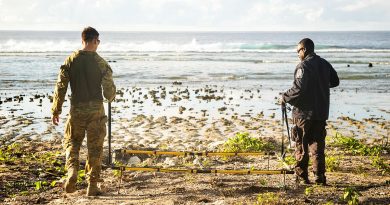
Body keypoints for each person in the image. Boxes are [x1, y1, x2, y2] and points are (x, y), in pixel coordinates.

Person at [51, 27, 116, 196]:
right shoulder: (101, 63)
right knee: (95, 148)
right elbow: (109, 93)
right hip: (96, 111)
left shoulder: (71, 60)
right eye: (98, 41)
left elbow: (60, 87)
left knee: (72, 142)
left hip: (76, 110)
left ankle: (72, 171)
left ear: (83, 40)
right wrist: (111, 95)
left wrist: (56, 110)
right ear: (94, 41)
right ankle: (92, 186)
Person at [281, 38, 339, 185]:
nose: (297, 53)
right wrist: (320, 86)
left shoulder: (303, 66)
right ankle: (320, 178)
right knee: (317, 147)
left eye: (298, 50)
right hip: (320, 112)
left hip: (303, 114)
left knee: (301, 146)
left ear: (304, 49)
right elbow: (335, 81)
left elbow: (298, 89)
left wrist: (284, 97)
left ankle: (302, 178)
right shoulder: (324, 63)